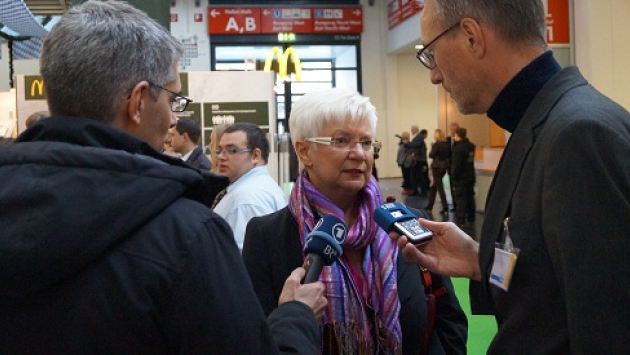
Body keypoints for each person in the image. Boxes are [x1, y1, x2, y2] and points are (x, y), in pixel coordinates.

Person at [0, 1, 327, 353]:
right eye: (173, 99)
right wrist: (295, 317)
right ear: (139, 101)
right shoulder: (186, 234)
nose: (174, 120)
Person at [392, 0, 630, 353]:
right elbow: (558, 284)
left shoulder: (578, 134)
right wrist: (480, 259)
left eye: (431, 53)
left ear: (472, 36)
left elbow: (607, 327)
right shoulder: (542, 123)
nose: (434, 75)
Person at [243, 88, 467, 354]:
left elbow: (448, 319)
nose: (360, 154)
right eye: (341, 141)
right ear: (304, 151)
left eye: (367, 142)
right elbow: (255, 337)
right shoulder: (268, 236)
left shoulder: (410, 222)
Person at [213, 122, 287, 250]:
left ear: (255, 156)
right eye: (220, 150)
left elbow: (245, 260)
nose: (221, 157)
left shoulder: (247, 199)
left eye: (232, 150)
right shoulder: (258, 187)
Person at [450, 127, 475, 224]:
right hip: (470, 175)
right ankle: (471, 217)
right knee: (470, 196)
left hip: (460, 177)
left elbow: (456, 165)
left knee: (461, 198)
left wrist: (453, 176)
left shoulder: (457, 149)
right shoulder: (471, 146)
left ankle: (461, 218)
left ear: (457, 135)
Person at [425, 128, 449, 214]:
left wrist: (432, 147)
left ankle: (445, 206)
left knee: (438, 187)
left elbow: (431, 155)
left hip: (436, 167)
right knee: (434, 186)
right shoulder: (446, 144)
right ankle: (430, 205)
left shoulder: (436, 144)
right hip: (443, 167)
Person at [404, 125, 428, 196]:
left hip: (418, 160)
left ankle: (422, 191)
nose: (411, 131)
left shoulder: (419, 137)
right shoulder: (418, 137)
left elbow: (415, 145)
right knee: (415, 176)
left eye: (412, 129)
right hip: (417, 160)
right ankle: (416, 191)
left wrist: (407, 143)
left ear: (415, 130)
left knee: (419, 176)